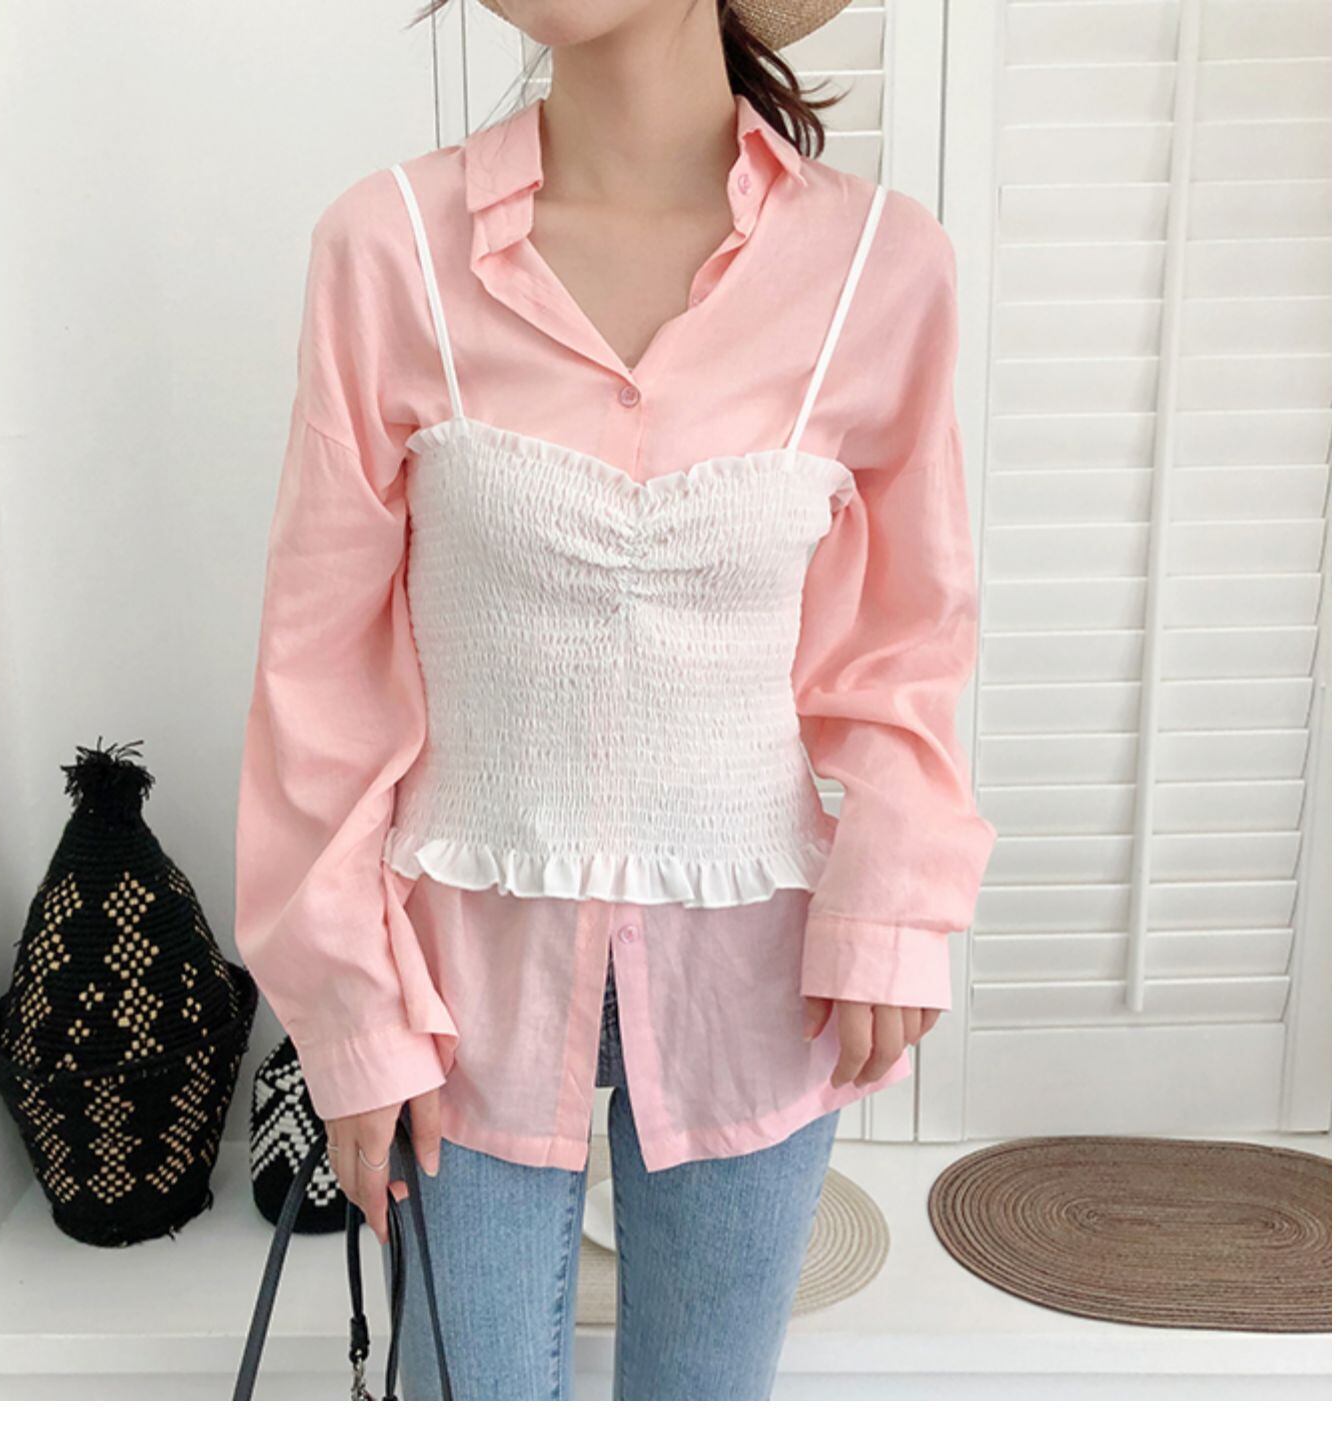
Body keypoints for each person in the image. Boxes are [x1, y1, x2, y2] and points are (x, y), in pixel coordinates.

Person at [234, 0, 996, 1401]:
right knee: (466, 1397)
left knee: (710, 1400)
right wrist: (348, 1009)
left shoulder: (883, 267)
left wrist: (897, 906)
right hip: (452, 988)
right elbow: (317, 673)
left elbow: (909, 637)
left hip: (762, 979)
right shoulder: (385, 249)